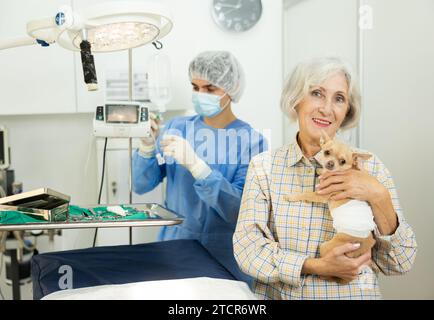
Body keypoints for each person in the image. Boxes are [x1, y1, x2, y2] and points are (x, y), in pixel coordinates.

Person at [233, 57, 417, 299]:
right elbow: (248, 250)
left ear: (347, 111)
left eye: (339, 98)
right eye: (317, 93)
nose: (327, 108)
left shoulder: (371, 167)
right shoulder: (264, 168)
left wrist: (378, 195)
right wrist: (314, 265)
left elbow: (400, 262)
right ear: (295, 99)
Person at [133, 51, 267, 284]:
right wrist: (146, 147)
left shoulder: (251, 141)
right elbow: (141, 185)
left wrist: (198, 168)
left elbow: (239, 211)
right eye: (195, 87)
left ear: (231, 88)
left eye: (210, 89)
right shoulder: (178, 127)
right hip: (174, 248)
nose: (200, 94)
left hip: (224, 256)